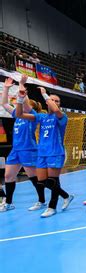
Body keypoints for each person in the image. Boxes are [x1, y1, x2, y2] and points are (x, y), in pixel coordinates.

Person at [15, 87, 74, 218]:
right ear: (47, 103)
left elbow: (56, 110)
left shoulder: (61, 117)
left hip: (55, 152)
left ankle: (52, 207)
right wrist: (20, 98)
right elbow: (19, 114)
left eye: (57, 101)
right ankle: (67, 196)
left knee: (53, 181)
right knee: (42, 181)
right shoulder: (41, 117)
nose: (54, 102)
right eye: (52, 100)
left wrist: (44, 94)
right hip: (42, 153)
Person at [0, 76, 46, 212]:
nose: (22, 105)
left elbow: (24, 102)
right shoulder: (17, 115)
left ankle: (41, 201)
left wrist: (21, 84)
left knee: (33, 178)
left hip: (28, 149)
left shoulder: (32, 116)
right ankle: (8, 203)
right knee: (8, 176)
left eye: (26, 105)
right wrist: (6, 88)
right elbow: (4, 104)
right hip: (16, 150)